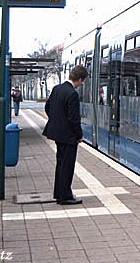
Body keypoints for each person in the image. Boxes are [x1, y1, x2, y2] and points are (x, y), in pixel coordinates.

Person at [43, 65, 88, 205]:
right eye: (82, 81)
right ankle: (65, 196)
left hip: (57, 134)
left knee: (60, 164)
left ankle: (59, 193)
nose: (81, 84)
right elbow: (74, 118)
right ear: (79, 79)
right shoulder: (72, 94)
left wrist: (56, 120)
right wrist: (79, 135)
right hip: (68, 136)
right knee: (67, 166)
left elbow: (47, 107)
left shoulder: (57, 89)